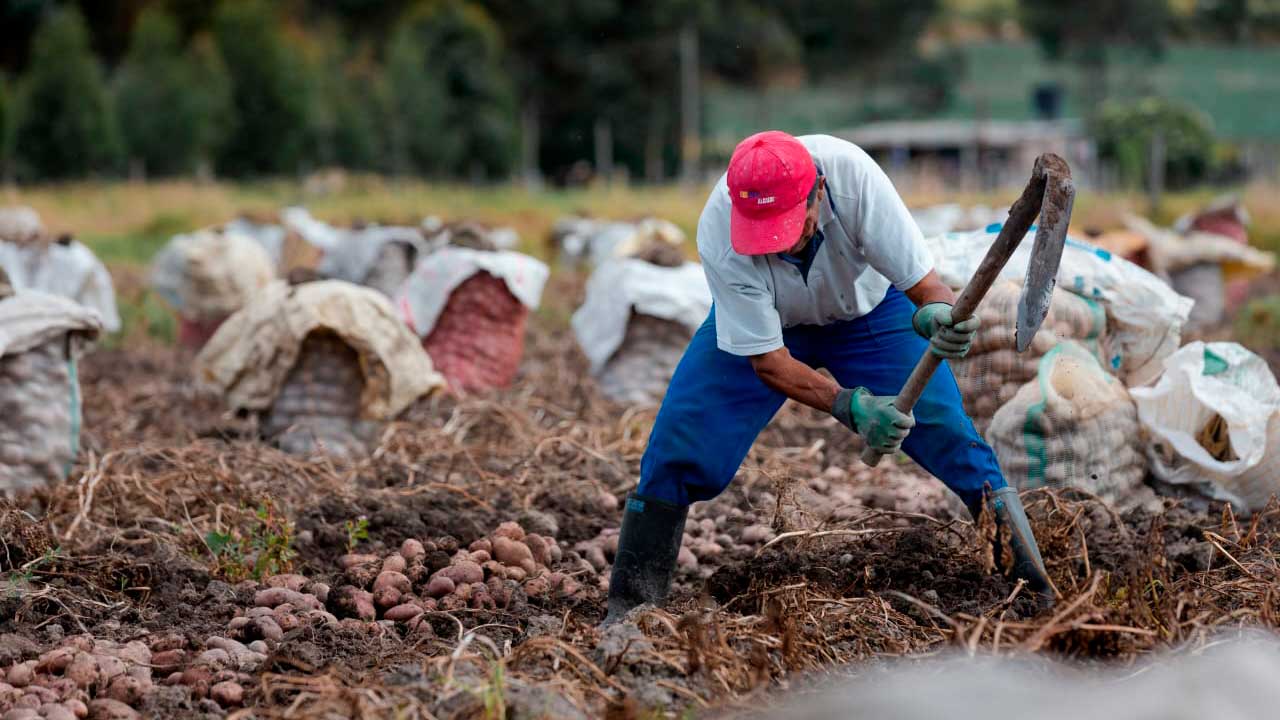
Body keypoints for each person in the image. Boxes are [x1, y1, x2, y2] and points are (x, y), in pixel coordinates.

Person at [604, 131, 1053, 624]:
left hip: (867, 316)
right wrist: (851, 406)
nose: (781, 243)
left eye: (790, 226)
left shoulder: (855, 178)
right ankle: (632, 608)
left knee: (948, 433)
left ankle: (1033, 591)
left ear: (817, 190)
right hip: (770, 328)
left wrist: (937, 314)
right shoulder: (719, 227)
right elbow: (768, 361)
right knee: (681, 446)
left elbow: (926, 286)